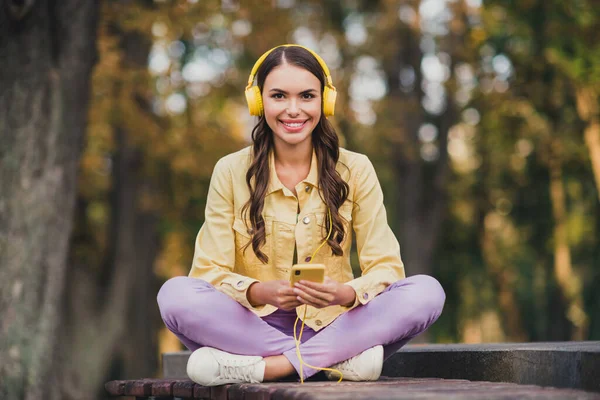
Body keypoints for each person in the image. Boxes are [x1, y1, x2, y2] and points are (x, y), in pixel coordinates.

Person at [157, 44, 445, 387]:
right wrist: (260, 292)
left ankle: (273, 368)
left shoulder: (356, 169)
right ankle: (334, 363)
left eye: (307, 96)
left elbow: (386, 267)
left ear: (324, 102)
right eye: (279, 96)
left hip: (338, 325)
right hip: (251, 328)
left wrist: (346, 295)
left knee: (427, 292)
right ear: (259, 101)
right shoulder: (230, 171)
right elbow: (207, 273)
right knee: (174, 296)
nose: (293, 110)